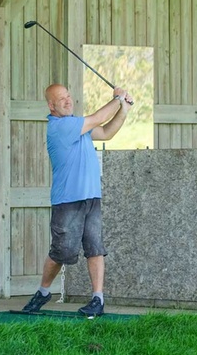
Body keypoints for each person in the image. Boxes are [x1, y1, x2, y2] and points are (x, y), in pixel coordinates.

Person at [22, 83, 133, 318]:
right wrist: (117, 99)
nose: (67, 101)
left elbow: (106, 132)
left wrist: (123, 109)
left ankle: (97, 299)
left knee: (95, 249)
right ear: (51, 105)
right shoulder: (60, 127)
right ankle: (43, 292)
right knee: (61, 252)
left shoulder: (78, 126)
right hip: (68, 201)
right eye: (61, 99)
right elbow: (99, 117)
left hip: (91, 197)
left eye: (68, 96)